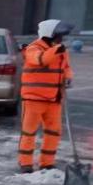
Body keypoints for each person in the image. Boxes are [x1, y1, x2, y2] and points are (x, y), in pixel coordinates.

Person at [18, 19, 73, 173]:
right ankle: (26, 163)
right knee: (29, 132)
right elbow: (40, 60)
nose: (61, 38)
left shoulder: (60, 50)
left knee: (53, 132)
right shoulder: (33, 48)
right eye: (59, 34)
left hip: (54, 98)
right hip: (34, 98)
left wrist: (68, 77)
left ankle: (47, 163)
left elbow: (66, 67)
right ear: (50, 34)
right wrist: (57, 50)